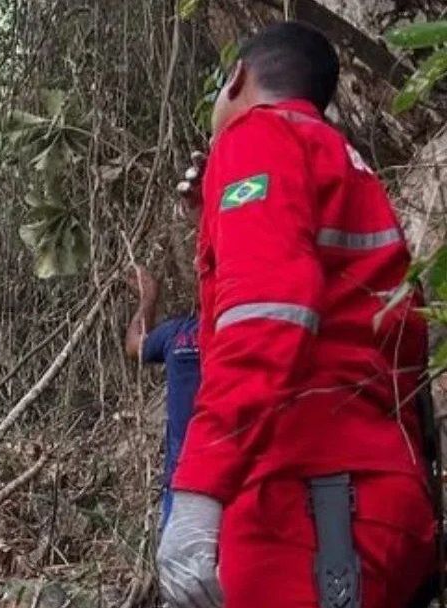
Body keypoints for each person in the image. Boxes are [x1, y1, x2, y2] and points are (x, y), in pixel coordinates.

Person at [157, 21, 435, 608]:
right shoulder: (346, 164)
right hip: (377, 498)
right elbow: (396, 343)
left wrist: (201, 488)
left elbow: (266, 315)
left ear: (236, 80)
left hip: (310, 501)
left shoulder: (256, 137)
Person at [124, 266, 200, 529]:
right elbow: (136, 346)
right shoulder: (179, 331)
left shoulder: (234, 329)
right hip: (184, 477)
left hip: (203, 474)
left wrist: (148, 299)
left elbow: (135, 344)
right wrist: (148, 299)